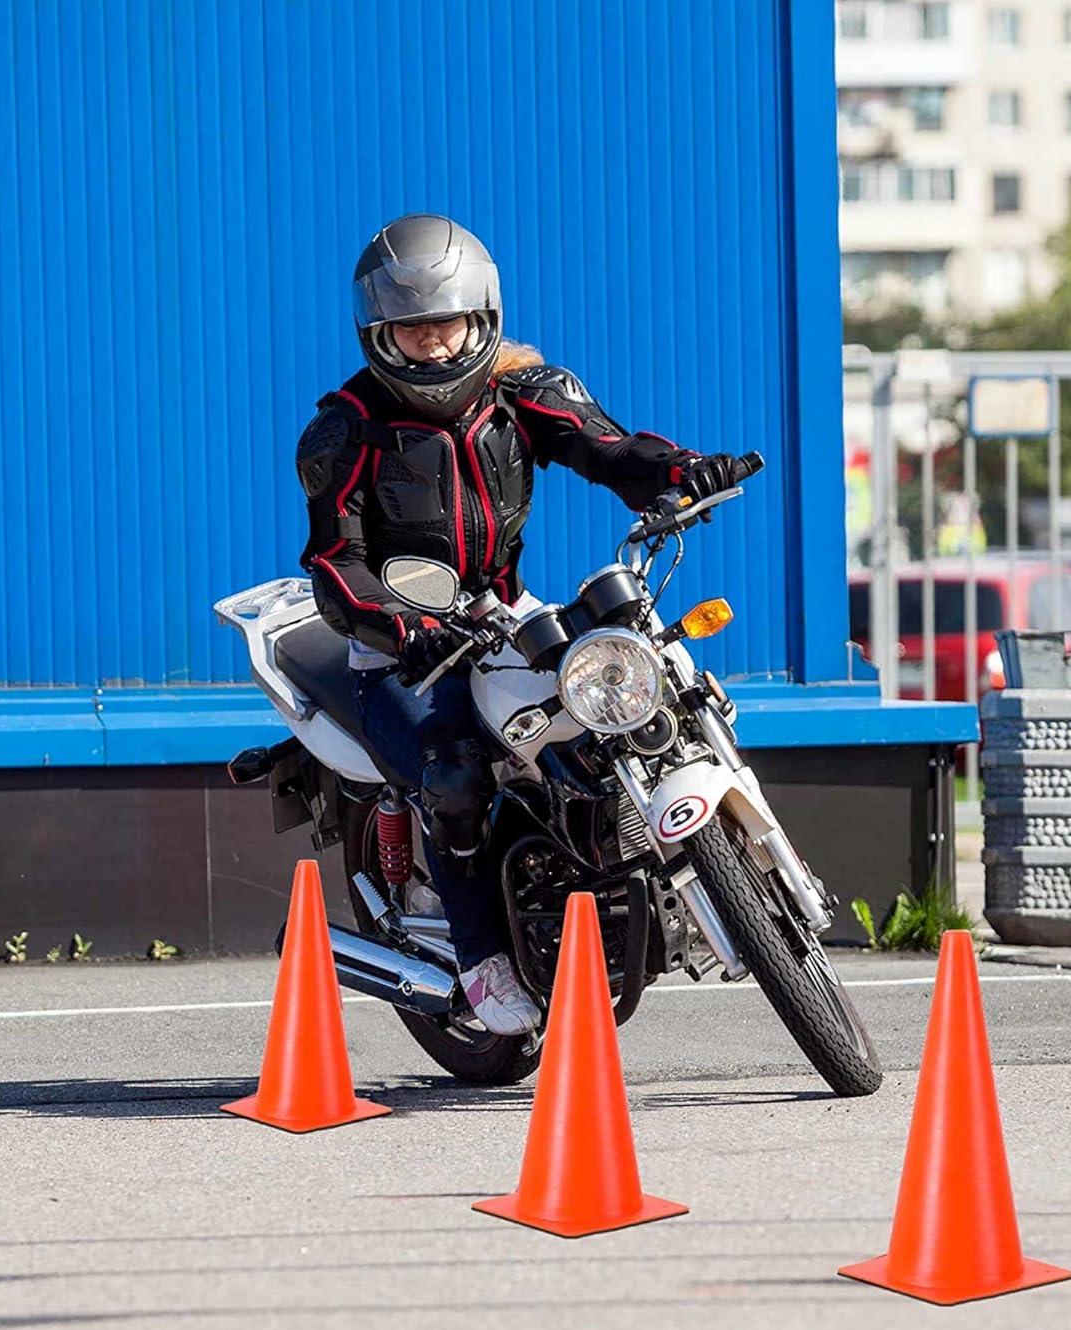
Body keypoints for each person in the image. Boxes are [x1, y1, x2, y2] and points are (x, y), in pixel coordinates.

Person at [296, 214, 740, 1036]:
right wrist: (401, 628)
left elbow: (608, 450)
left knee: (641, 685)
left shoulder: (524, 391)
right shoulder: (345, 430)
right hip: (401, 645)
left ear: (482, 318)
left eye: (447, 325)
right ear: (378, 333)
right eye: (411, 330)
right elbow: (335, 563)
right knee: (455, 774)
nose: (432, 345)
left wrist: (681, 472)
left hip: (505, 611)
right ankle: (481, 962)